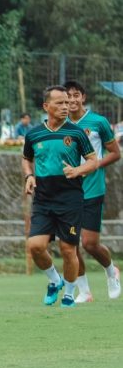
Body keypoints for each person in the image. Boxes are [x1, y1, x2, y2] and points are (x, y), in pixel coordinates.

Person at [23, 85, 97, 308]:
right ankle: (55, 281)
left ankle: (69, 294)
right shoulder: (34, 134)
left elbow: (93, 161)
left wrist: (78, 170)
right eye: (60, 103)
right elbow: (27, 158)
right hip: (43, 198)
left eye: (67, 102)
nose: (66, 106)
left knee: (68, 249)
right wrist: (29, 176)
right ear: (46, 106)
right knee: (35, 245)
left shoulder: (76, 133)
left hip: (70, 198)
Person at [64, 81, 121, 302]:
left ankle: (111, 271)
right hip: (68, 191)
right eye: (67, 97)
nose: (71, 100)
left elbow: (115, 153)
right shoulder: (61, 125)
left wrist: (95, 164)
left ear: (83, 97)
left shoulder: (98, 122)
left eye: (75, 95)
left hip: (93, 189)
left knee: (89, 243)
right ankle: (84, 291)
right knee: (70, 244)